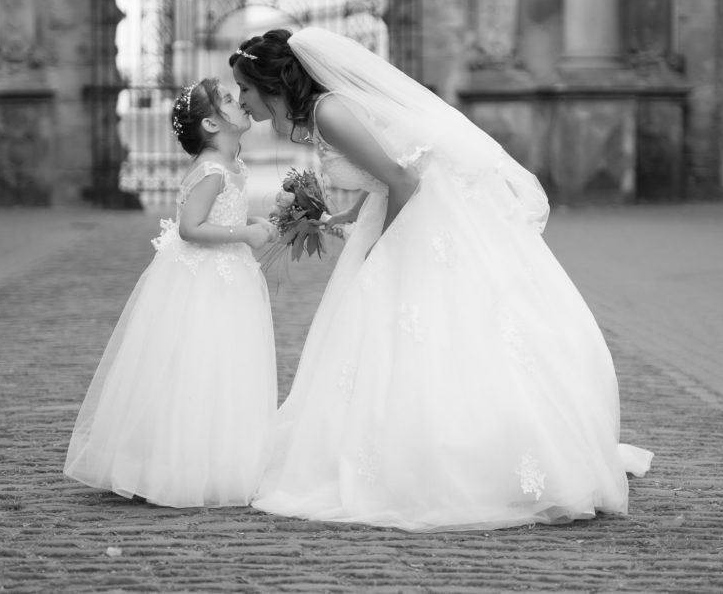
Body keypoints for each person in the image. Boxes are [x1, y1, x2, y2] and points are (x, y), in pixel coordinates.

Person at [230, 28, 653, 532]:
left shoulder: (329, 112)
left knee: (435, 327)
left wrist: (382, 250)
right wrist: (347, 215)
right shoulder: (327, 112)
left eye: (244, 91)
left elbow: (405, 179)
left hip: (426, 221)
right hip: (415, 209)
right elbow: (394, 166)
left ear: (269, 82)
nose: (241, 102)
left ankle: (485, 457)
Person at [64, 78, 279, 508]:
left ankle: (223, 458)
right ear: (211, 125)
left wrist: (258, 219)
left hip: (229, 275)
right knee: (194, 361)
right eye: (229, 101)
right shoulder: (211, 170)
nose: (241, 104)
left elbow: (226, 211)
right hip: (202, 279)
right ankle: (172, 463)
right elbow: (191, 228)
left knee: (227, 365)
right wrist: (245, 235)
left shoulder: (233, 165)